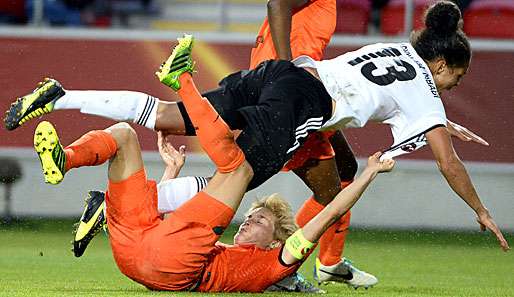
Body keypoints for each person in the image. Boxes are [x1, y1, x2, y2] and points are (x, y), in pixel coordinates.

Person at [4, 1, 508, 251]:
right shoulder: (423, 85)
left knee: (173, 119)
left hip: (273, 80)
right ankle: (128, 209)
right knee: (238, 178)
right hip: (298, 100)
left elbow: (402, 107)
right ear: (441, 66)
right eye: (455, 81)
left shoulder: (399, 51)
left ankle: (61, 95)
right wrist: (482, 210)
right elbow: (447, 160)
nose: (451, 90)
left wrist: (441, 122)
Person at [29, 74, 395, 291]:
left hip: (168, 268)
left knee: (239, 170)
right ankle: (68, 159)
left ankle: (184, 84)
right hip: (134, 252)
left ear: (277, 241)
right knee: (124, 136)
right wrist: (171, 171)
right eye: (252, 215)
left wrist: (367, 174)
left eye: (261, 221)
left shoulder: (276, 264)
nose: (249, 220)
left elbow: (329, 212)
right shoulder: (215, 246)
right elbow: (165, 226)